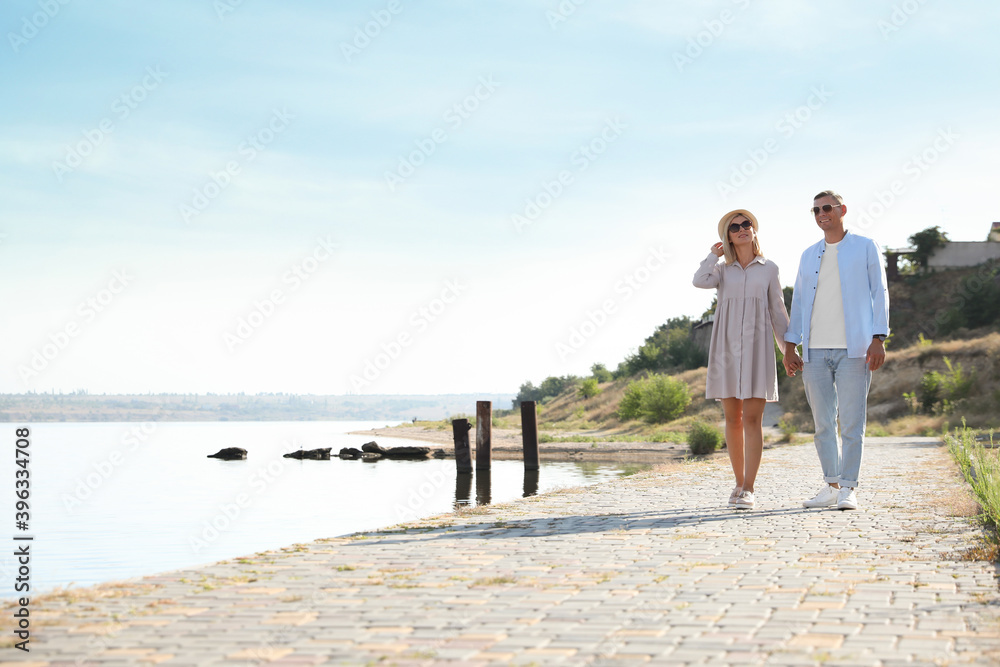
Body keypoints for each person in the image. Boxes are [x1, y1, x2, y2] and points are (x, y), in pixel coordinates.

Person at [783, 190, 889, 511]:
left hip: (854, 349)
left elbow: (879, 292)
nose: (821, 214)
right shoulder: (807, 255)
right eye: (815, 209)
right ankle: (831, 485)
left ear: (842, 210)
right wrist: (790, 345)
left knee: (852, 423)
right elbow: (799, 302)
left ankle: (849, 488)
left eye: (827, 208)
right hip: (815, 351)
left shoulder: (865, 247)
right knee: (823, 424)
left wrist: (878, 337)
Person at [693, 209, 791, 510]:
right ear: (728, 236)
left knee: (752, 419)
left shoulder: (769, 268)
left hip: (758, 348)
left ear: (754, 230)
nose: (741, 229)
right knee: (732, 420)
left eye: (746, 224)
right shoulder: (721, 270)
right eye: (734, 227)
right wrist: (712, 255)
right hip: (726, 349)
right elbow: (699, 281)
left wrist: (788, 349)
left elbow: (778, 311)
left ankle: (749, 487)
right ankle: (737, 483)